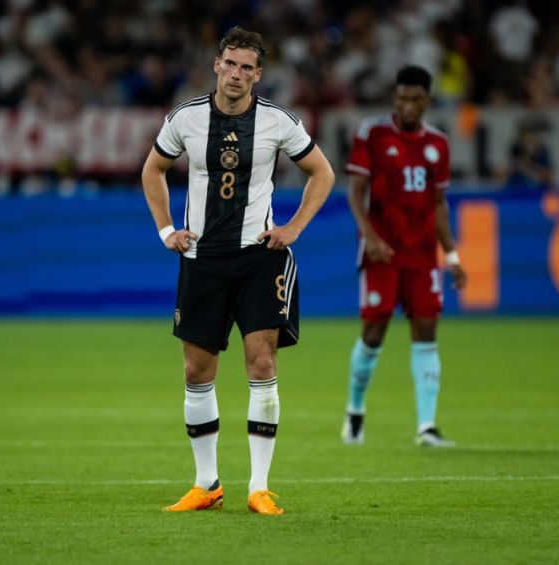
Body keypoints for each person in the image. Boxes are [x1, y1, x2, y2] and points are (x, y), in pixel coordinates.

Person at [142, 26, 334, 515]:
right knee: (196, 371)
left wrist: (294, 227)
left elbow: (322, 172)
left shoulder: (277, 121)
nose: (236, 74)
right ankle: (207, 484)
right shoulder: (186, 118)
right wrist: (166, 230)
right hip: (203, 259)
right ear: (216, 65)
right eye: (230, 63)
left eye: (247, 67)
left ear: (258, 74)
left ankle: (258, 487)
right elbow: (152, 169)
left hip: (258, 258)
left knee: (262, 364)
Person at [341, 65, 467, 448]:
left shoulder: (438, 143)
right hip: (382, 253)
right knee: (373, 333)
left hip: (422, 255)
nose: (407, 105)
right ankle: (355, 411)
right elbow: (355, 191)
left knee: (426, 331)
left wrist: (452, 256)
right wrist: (370, 236)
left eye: (415, 99)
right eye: (401, 98)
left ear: (427, 101)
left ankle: (426, 426)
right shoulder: (372, 133)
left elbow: (439, 204)